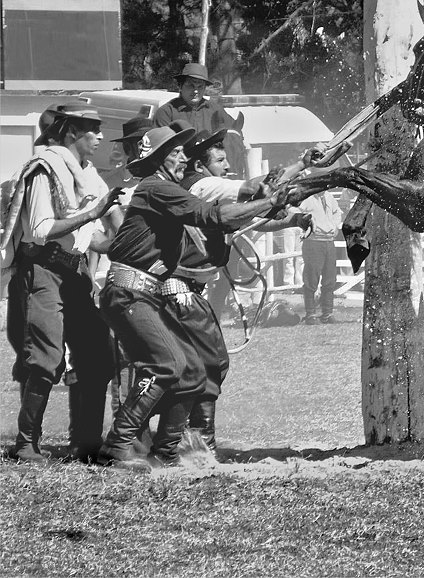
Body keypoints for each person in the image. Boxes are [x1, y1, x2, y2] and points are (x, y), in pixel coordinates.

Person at [96, 126, 291, 469]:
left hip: (142, 293)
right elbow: (213, 217)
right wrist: (269, 200)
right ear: (157, 159)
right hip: (129, 293)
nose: (184, 156)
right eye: (174, 152)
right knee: (168, 366)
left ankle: (168, 450)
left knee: (194, 372)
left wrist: (263, 203)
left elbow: (215, 220)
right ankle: (118, 444)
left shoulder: (162, 189)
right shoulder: (157, 189)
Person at [2, 102, 123, 462]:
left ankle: (85, 444)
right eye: (92, 129)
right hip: (40, 269)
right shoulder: (45, 169)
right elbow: (40, 231)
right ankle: (26, 444)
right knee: (45, 360)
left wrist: (128, 233)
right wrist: (93, 212)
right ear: (70, 131)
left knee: (98, 358)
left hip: (76, 271)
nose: (100, 135)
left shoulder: (91, 175)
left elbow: (97, 237)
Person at [298, 189, 344, 324]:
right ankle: (310, 314)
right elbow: (297, 214)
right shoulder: (307, 198)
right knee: (311, 279)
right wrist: (311, 228)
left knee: (330, 280)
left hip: (329, 242)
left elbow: (337, 213)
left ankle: (327, 313)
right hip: (313, 242)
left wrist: (335, 227)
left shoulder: (329, 197)